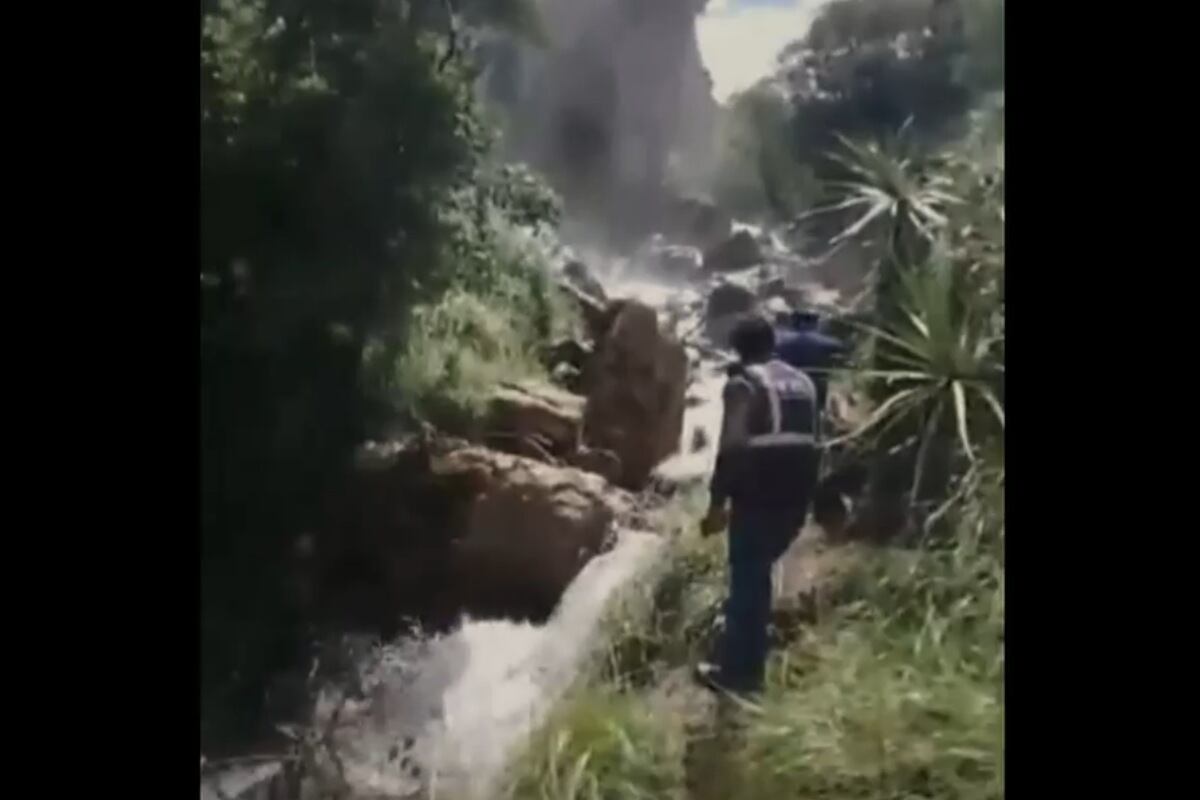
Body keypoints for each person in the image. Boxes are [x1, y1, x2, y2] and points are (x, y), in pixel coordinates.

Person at [696, 314, 822, 695]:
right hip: (798, 491)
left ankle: (739, 675)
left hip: (761, 489)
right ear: (773, 343)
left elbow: (731, 447)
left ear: (737, 349)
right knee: (759, 572)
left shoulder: (743, 384)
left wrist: (716, 504)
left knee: (748, 579)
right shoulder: (803, 381)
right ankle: (750, 652)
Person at [770, 307, 846, 413]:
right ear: (814, 323)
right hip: (816, 383)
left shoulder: (781, 340)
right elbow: (842, 347)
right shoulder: (824, 342)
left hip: (786, 384)